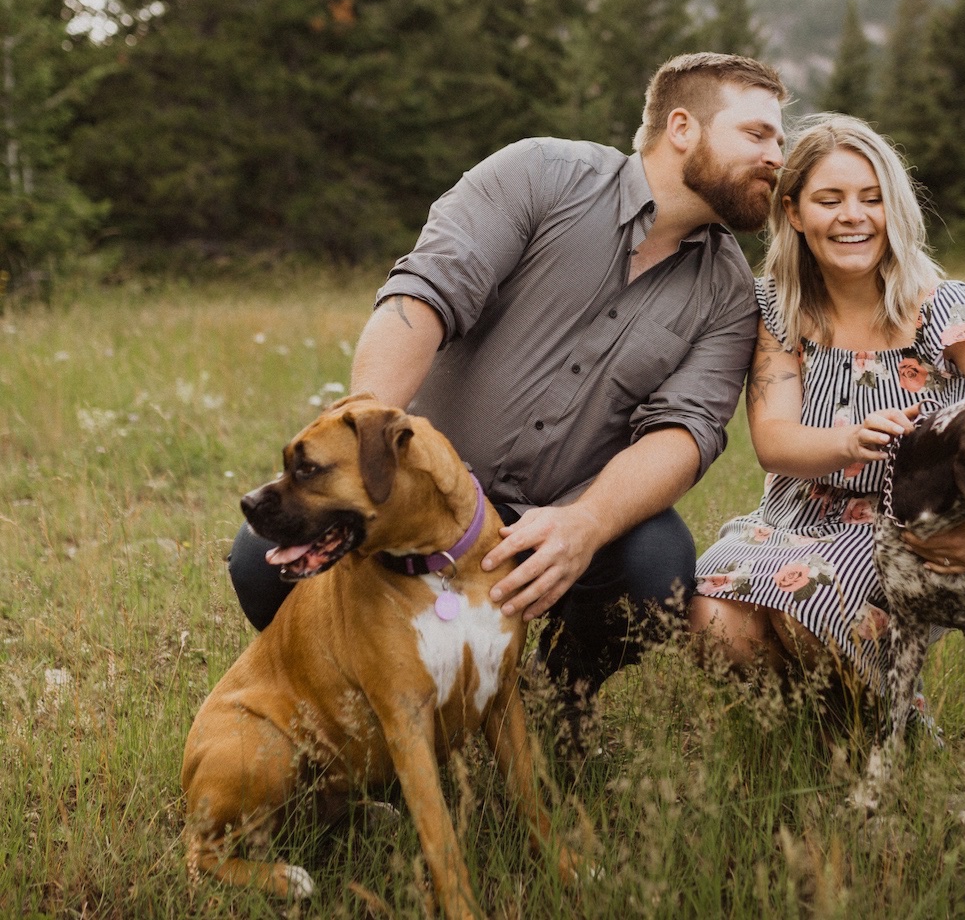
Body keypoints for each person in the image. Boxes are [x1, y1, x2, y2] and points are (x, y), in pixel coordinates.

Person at [228, 52, 788, 751]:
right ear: (682, 127)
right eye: (759, 135)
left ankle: (557, 700)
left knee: (656, 569)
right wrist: (366, 433)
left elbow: (684, 433)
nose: (777, 157)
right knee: (261, 564)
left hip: (558, 513)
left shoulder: (730, 292)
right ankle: (364, 704)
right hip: (426, 490)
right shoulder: (539, 174)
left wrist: (585, 524)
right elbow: (422, 296)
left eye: (780, 140)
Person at [690, 114, 965, 706]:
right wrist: (849, 441)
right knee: (713, 619)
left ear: (894, 211)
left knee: (807, 613)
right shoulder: (777, 307)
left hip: (899, 527)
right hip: (790, 518)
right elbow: (774, 440)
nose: (853, 216)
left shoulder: (945, 308)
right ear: (796, 214)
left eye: (871, 199)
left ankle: (893, 745)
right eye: (829, 200)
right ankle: (814, 739)